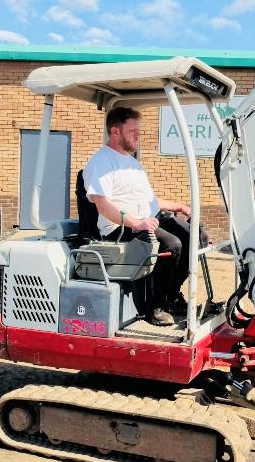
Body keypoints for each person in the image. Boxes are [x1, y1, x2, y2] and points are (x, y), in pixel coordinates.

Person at [83, 106, 194, 327]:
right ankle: (154, 307)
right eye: (132, 131)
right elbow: (103, 205)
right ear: (115, 132)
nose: (138, 135)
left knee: (195, 235)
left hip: (146, 221)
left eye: (138, 131)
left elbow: (149, 201)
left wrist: (180, 206)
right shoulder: (101, 162)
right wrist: (136, 223)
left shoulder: (133, 164)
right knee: (172, 244)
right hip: (119, 228)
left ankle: (172, 295)